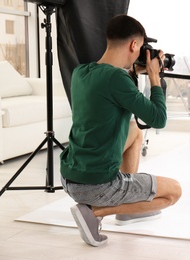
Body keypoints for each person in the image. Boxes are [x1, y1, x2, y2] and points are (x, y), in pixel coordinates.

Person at [60, 14, 182, 247]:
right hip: (95, 186)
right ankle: (94, 212)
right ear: (134, 45)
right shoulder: (117, 79)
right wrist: (155, 77)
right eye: (140, 49)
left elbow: (111, 93)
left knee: (134, 130)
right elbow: (158, 119)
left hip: (70, 176)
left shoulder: (81, 72)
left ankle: (126, 209)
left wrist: (135, 73)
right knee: (173, 192)